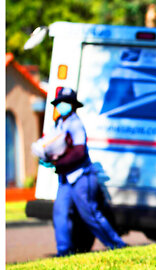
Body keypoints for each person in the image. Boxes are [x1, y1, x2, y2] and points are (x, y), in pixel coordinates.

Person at [47, 87, 126, 256]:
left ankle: (116, 244)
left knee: (89, 213)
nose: (63, 106)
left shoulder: (75, 124)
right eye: (61, 102)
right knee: (60, 212)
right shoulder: (59, 123)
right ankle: (64, 251)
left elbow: (79, 152)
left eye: (67, 103)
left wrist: (58, 163)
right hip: (65, 178)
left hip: (81, 176)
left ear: (73, 105)